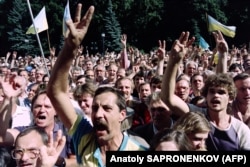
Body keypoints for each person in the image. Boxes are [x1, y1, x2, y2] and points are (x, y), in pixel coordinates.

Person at [47, 4, 147, 167]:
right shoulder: (84, 136)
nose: (98, 114)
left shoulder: (140, 151)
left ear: (122, 115)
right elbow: (56, 92)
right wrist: (70, 48)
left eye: (107, 108)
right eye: (95, 108)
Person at [161, 31, 250, 150]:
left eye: (221, 93)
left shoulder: (240, 130)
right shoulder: (197, 115)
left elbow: (222, 81)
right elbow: (168, 98)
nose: (216, 96)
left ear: (230, 98)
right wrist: (173, 62)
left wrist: (223, 55)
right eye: (211, 92)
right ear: (205, 96)